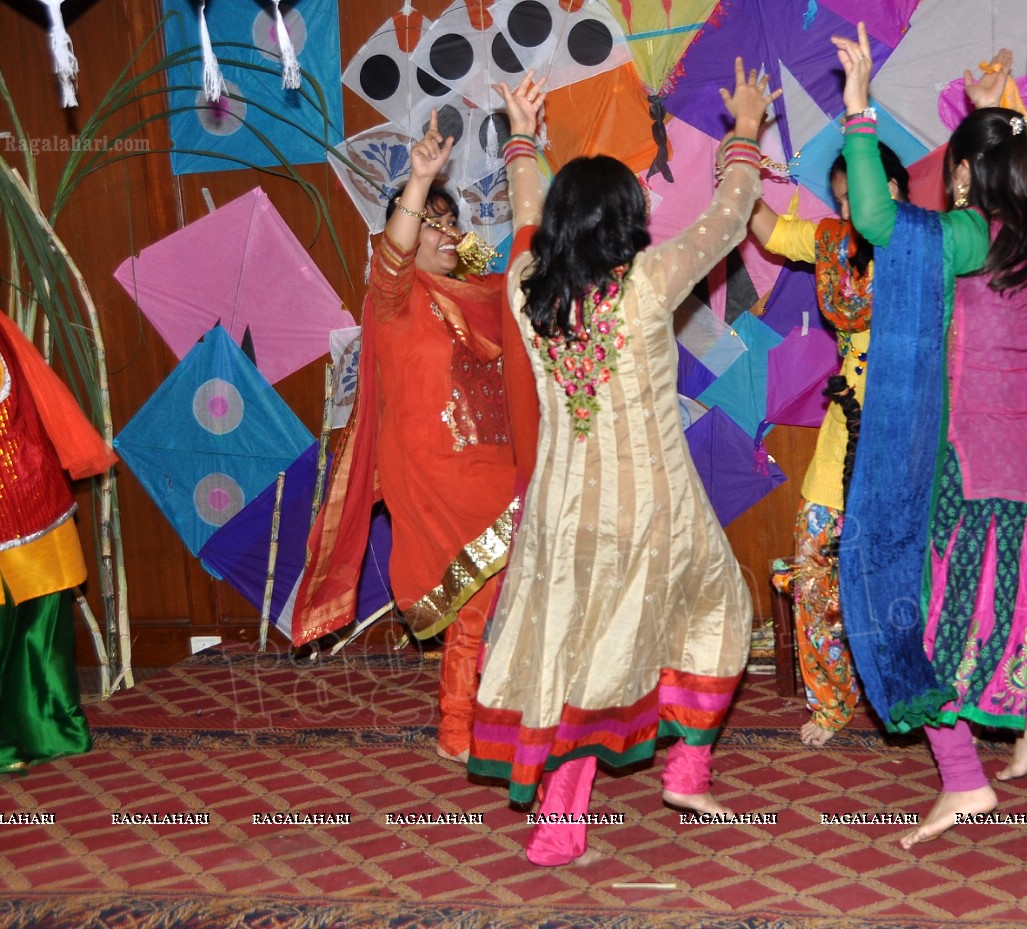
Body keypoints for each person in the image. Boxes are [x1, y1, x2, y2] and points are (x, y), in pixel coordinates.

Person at [467, 62, 780, 867]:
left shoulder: (527, 288)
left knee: (578, 647)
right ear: (628, 220)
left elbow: (529, 219)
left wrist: (523, 139)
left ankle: (561, 818)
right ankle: (686, 763)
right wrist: (744, 131)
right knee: (719, 610)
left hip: (562, 513)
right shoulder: (647, 282)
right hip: (654, 507)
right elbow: (727, 216)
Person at [832, 20, 1027, 847]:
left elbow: (876, 218)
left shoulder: (971, 236)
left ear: (966, 174)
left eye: (955, 167)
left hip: (970, 469)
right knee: (984, 617)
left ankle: (966, 781)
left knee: (922, 626)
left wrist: (858, 112)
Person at [295, 112, 539, 764]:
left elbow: (524, 264)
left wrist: (525, 144)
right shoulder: (395, 297)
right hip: (437, 473)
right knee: (486, 591)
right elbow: (395, 251)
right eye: (431, 223)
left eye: (450, 223)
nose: (446, 233)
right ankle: (469, 722)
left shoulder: (485, 292)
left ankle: (469, 722)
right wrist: (420, 179)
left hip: (498, 465)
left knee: (492, 596)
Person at [752, 147, 914, 747]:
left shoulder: (928, 247)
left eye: (859, 194)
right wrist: (740, 168)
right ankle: (831, 704)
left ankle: (922, 694)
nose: (849, 207)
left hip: (911, 435)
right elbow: (771, 231)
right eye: (841, 197)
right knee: (816, 571)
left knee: (910, 578)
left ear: (893, 187)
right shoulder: (834, 247)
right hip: (844, 436)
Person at [0, 247, 117, 775]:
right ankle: (5, 743)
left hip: (29, 497)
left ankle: (48, 731)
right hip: (15, 506)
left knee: (40, 623)